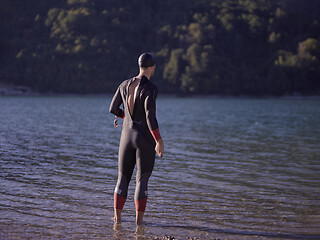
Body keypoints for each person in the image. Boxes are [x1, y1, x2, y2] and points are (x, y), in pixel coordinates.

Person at [109, 52, 164, 225]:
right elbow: (150, 117)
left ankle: (117, 221)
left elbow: (112, 108)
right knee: (142, 179)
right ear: (152, 67)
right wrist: (159, 141)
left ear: (139, 66)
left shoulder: (124, 84)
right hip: (144, 138)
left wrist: (125, 117)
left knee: (122, 178)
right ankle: (139, 225)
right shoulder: (151, 88)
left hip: (126, 136)